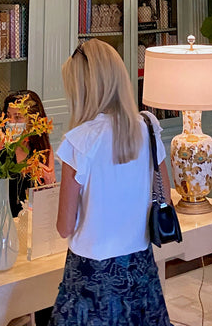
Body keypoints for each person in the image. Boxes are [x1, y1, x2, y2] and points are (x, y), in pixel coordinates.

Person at [51, 39, 172, 326]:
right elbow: (165, 195)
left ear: (84, 90)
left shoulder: (79, 142)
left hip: (91, 276)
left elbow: (64, 227)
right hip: (140, 268)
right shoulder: (148, 128)